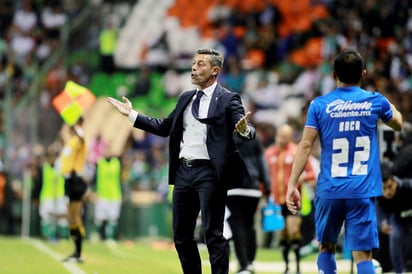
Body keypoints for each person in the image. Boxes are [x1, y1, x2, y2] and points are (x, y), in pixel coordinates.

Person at [108, 48, 255, 274]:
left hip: (211, 173)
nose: (194, 68)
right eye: (193, 63)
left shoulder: (228, 98)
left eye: (201, 64)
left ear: (215, 70)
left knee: (213, 234)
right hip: (184, 172)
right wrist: (131, 114)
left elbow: (244, 127)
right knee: (182, 236)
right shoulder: (186, 97)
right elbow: (165, 127)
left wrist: (245, 130)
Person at [285, 48, 403, 274]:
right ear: (364, 74)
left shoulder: (319, 105)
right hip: (362, 190)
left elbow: (306, 145)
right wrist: (391, 107)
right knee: (363, 254)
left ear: (333, 75)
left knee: (326, 247)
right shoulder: (374, 102)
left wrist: (292, 184)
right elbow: (398, 124)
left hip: (329, 190)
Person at [264, 124, 317, 274]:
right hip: (276, 201)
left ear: (290, 137)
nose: (280, 140)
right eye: (279, 136)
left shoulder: (296, 152)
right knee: (284, 235)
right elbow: (265, 176)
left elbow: (311, 175)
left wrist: (300, 179)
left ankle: (298, 267)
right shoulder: (269, 153)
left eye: (284, 137)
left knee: (294, 232)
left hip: (293, 200)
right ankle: (287, 267)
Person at [227, 133, 270, 274]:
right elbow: (262, 162)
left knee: (236, 226)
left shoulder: (226, 138)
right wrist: (267, 186)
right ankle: (250, 262)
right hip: (253, 188)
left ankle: (243, 264)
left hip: (233, 187)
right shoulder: (255, 139)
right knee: (249, 225)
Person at [59, 117, 89, 263]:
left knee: (75, 217)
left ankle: (79, 252)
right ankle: (76, 252)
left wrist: (78, 127)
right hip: (69, 180)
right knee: (71, 218)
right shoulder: (71, 142)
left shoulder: (79, 139)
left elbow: (82, 138)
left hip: (76, 180)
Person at [376, 161, 412, 273]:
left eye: (390, 187)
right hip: (399, 221)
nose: (388, 192)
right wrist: (383, 224)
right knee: (394, 236)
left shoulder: (408, 186)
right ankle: (399, 271)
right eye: (384, 188)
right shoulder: (380, 197)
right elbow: (380, 213)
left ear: (395, 181)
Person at [90, 154, 122, 244]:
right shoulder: (100, 163)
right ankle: (95, 236)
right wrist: (93, 191)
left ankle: (110, 238)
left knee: (113, 218)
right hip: (102, 195)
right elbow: (94, 178)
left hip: (115, 195)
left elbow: (121, 179)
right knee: (99, 218)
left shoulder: (117, 162)